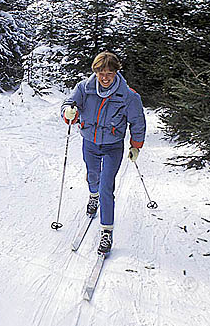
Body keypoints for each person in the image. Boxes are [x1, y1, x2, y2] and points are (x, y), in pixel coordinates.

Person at [61, 51, 146, 256]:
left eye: (110, 73)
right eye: (101, 73)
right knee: (93, 177)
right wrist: (68, 113)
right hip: (89, 142)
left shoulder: (128, 96)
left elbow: (138, 121)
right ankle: (93, 195)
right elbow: (68, 105)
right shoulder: (84, 88)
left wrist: (136, 145)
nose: (105, 78)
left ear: (116, 72)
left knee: (107, 186)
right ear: (95, 72)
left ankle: (106, 232)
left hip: (113, 146)